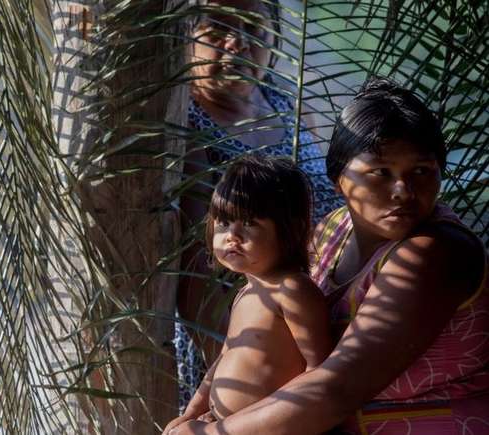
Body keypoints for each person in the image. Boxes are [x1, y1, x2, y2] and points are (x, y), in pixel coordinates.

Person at [169, 77, 488, 434]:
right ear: (338, 179)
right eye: (381, 172)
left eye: (422, 171)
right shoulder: (334, 231)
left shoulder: (433, 252)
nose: (403, 190)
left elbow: (336, 388)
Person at [175, 0, 343, 412]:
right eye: (216, 29)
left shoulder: (284, 102)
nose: (238, 43)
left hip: (312, 328)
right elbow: (195, 265)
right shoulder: (185, 123)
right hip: (239, 348)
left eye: (254, 27)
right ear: (184, 37)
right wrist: (248, 366)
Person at [165, 155, 333, 434]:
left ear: (291, 228)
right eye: (223, 224)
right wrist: (192, 412)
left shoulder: (291, 290)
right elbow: (226, 356)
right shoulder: (247, 291)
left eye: (250, 224)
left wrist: (237, 423)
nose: (232, 235)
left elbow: (319, 372)